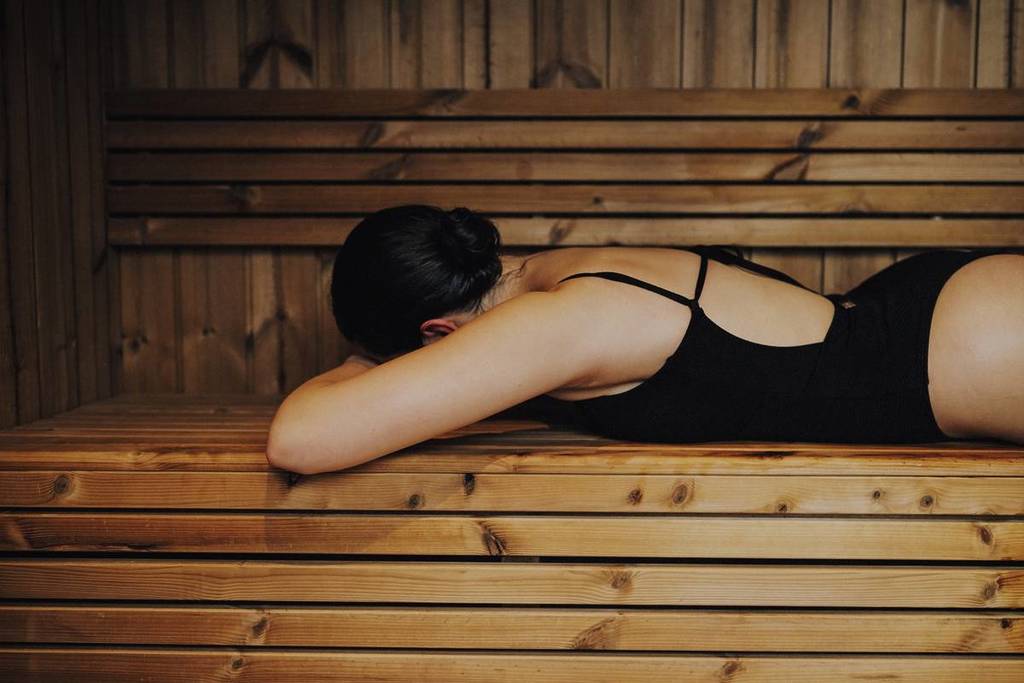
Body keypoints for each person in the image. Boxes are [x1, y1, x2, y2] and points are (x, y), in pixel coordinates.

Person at [265, 204, 1024, 475]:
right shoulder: (546, 272)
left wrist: (369, 356)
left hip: (960, 351)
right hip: (932, 315)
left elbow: (302, 437)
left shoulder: (549, 323)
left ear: (435, 330)